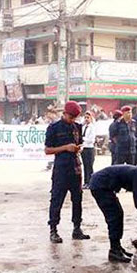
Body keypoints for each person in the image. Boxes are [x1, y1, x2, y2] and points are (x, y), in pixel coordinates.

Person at [45, 101, 90, 243]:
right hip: (61, 169)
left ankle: (77, 228)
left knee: (77, 200)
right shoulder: (54, 128)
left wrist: (79, 148)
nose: (72, 120)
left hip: (76, 168)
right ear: (64, 113)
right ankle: (53, 230)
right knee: (57, 199)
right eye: (70, 117)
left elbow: (80, 143)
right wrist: (65, 147)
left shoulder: (78, 127)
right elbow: (47, 150)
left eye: (75, 118)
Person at [81, 111, 96, 188]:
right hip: (84, 148)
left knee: (90, 166)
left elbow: (91, 140)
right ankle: (86, 182)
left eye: (88, 117)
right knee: (85, 166)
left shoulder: (92, 127)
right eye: (85, 117)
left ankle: (91, 182)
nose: (86, 119)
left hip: (90, 148)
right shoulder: (83, 127)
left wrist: (83, 139)